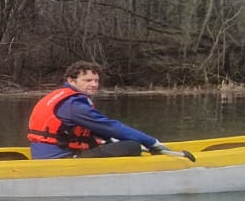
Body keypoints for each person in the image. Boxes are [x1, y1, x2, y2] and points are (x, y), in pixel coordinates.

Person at [27, 61, 162, 159]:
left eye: (96, 81)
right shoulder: (73, 104)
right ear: (71, 80)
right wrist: (151, 142)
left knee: (111, 142)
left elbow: (95, 130)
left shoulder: (63, 97)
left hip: (47, 154)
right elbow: (108, 126)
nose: (94, 84)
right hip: (60, 158)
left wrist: (109, 140)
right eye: (88, 80)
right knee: (132, 146)